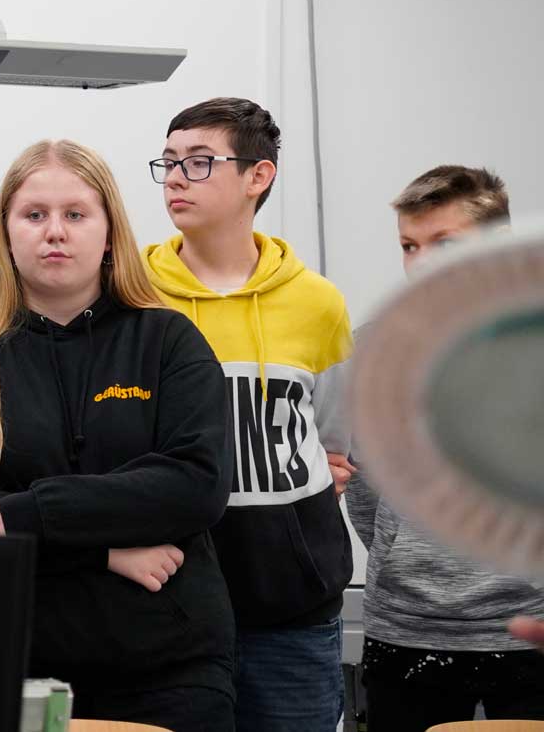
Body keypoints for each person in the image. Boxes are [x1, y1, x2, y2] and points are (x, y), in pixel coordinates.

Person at [0, 138, 235, 732]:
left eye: (75, 214)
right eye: (34, 215)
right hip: (7, 665)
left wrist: (27, 514)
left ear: (109, 234)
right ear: (6, 234)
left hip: (168, 673)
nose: (54, 231)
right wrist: (104, 552)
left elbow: (196, 484)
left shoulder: (168, 342)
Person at [143, 96, 355, 732]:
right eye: (169, 162)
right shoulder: (134, 294)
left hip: (289, 604)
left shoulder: (317, 303)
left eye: (199, 162)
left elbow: (333, 444)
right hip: (166, 598)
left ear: (258, 176)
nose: (176, 178)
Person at [346, 165, 544, 730]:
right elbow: (365, 490)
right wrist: (403, 550)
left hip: (528, 628)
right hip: (406, 630)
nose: (422, 262)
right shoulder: (374, 351)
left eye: (445, 244)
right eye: (409, 246)